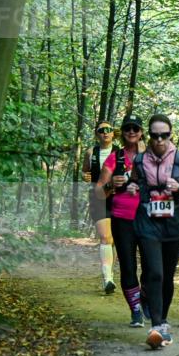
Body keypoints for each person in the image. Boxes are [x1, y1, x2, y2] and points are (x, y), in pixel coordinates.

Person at [127, 114, 179, 349]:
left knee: (167, 275)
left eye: (164, 135)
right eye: (155, 135)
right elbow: (134, 181)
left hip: (174, 222)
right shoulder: (140, 159)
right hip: (148, 222)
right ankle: (156, 326)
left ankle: (162, 320)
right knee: (154, 272)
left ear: (170, 134)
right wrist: (132, 186)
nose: (159, 140)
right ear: (149, 136)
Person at [95, 114, 147, 327]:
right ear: (122, 133)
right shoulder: (114, 158)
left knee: (152, 267)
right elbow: (99, 192)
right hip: (122, 219)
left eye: (136, 128)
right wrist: (110, 186)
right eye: (127, 128)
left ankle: (147, 300)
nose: (131, 132)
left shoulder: (152, 155)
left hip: (148, 218)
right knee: (128, 266)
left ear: (141, 132)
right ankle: (136, 311)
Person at [83, 121, 119, 294]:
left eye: (108, 130)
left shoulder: (120, 152)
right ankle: (107, 279)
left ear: (113, 133)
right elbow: (85, 172)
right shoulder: (91, 152)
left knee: (114, 239)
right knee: (105, 237)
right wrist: (85, 176)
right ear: (97, 134)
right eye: (101, 130)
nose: (105, 133)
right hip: (98, 198)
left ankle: (110, 273)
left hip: (118, 198)